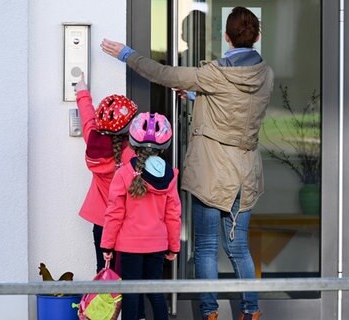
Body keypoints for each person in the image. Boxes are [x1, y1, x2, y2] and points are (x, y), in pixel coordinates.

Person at [101, 7, 272, 320]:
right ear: (258, 37)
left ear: (226, 38)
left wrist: (128, 54)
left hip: (211, 172)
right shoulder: (265, 74)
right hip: (245, 173)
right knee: (238, 248)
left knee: (206, 247)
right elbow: (237, 107)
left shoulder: (214, 75)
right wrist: (198, 97)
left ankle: (209, 312)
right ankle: (251, 310)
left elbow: (164, 74)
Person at [74, 77, 146, 320]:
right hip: (126, 226)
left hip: (101, 224)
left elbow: (87, 118)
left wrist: (82, 90)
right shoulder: (131, 157)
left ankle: (102, 316)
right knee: (130, 278)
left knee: (104, 273)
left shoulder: (92, 142)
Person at [100, 112, 181, 320]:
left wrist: (107, 245)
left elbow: (114, 213)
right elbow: (173, 215)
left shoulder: (124, 173)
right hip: (157, 245)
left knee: (132, 293)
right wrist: (174, 246)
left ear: (133, 143)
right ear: (165, 146)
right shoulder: (171, 176)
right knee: (155, 292)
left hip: (129, 246)